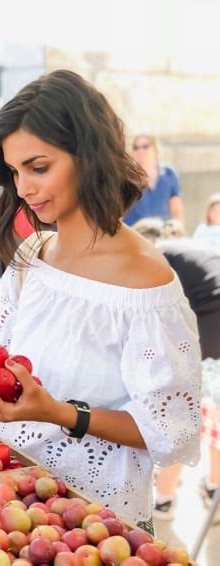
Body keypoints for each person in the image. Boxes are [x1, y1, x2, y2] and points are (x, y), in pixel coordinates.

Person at [0, 71, 201, 533]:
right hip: (10, 506)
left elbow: (168, 431)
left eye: (38, 167)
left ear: (89, 156)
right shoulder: (33, 256)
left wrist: (61, 414)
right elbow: (12, 399)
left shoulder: (146, 283)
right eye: (14, 171)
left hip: (95, 527)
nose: (23, 186)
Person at [134, 217, 220, 519]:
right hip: (211, 322)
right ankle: (213, 488)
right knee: (213, 414)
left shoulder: (155, 255)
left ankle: (165, 499)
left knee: (180, 411)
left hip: (211, 324)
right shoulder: (189, 246)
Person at [124, 134, 184, 226]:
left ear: (155, 148)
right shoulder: (126, 176)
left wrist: (178, 229)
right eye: (136, 148)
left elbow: (176, 210)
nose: (140, 151)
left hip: (163, 233)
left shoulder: (169, 173)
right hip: (135, 232)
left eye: (145, 146)